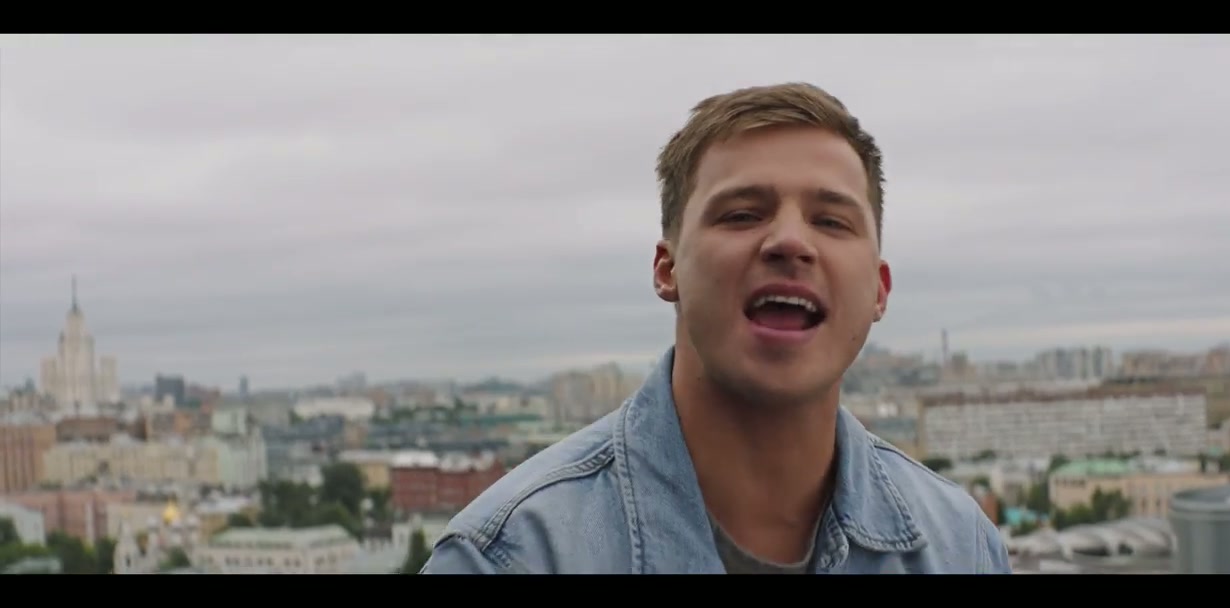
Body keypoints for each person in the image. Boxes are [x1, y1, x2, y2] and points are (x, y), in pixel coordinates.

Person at [421, 82, 1013, 574]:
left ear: (879, 290)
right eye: (742, 214)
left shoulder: (960, 546)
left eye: (832, 221)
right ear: (668, 269)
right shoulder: (514, 556)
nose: (789, 241)